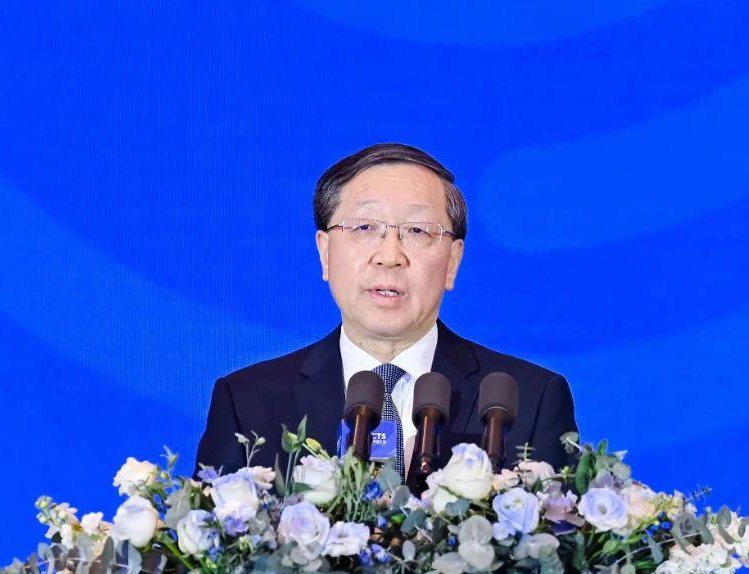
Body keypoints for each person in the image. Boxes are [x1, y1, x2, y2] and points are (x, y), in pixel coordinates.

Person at [195, 142, 577, 477]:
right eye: (364, 227)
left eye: (417, 231)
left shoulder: (532, 399)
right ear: (325, 253)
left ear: (452, 261)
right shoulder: (247, 401)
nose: (390, 255)